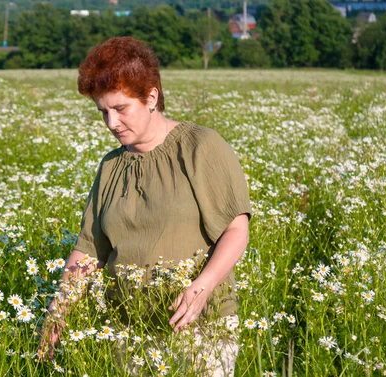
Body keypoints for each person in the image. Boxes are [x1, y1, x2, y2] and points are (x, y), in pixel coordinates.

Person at [38, 36, 251, 376]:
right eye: (103, 112)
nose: (111, 123)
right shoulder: (110, 167)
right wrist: (56, 315)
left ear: (151, 97)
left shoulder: (199, 147)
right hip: (128, 331)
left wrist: (202, 286)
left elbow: (236, 229)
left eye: (121, 109)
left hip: (197, 327)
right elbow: (89, 250)